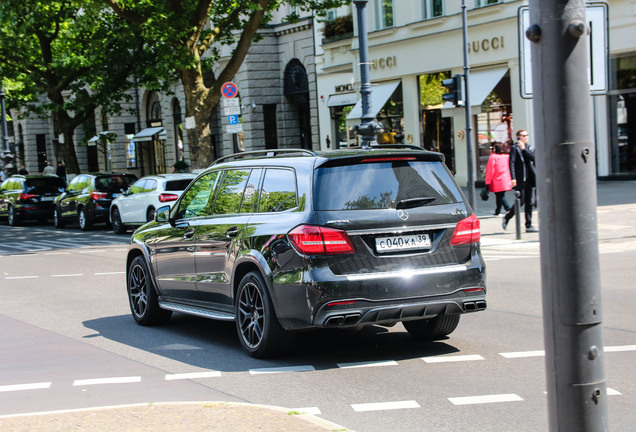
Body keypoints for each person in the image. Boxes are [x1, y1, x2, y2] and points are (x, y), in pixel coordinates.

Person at [502, 129, 538, 233]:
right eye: (523, 135)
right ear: (518, 137)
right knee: (521, 201)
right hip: (520, 179)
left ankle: (528, 225)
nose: (525, 137)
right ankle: (507, 217)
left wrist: (524, 150)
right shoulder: (514, 148)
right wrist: (513, 178)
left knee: (528, 202)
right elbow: (511, 163)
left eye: (527, 135)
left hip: (530, 179)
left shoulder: (529, 147)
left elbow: (534, 158)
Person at [485, 143, 512, 216]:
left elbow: (490, 171)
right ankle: (498, 210)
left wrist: (487, 182)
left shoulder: (493, 157)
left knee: (500, 195)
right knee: (499, 195)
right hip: (505, 179)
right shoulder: (506, 156)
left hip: (497, 179)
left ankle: (508, 208)